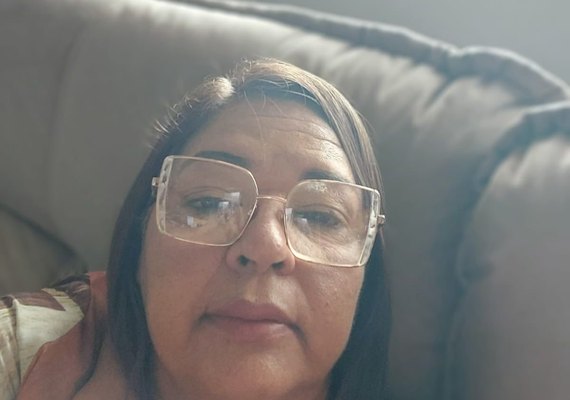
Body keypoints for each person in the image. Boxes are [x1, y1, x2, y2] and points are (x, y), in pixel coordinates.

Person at [0, 59, 390, 400]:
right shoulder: (24, 349)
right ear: (139, 251)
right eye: (210, 202)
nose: (264, 246)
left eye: (320, 216)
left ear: (365, 281)